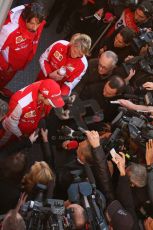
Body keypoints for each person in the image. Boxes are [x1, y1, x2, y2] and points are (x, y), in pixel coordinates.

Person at [0, 79, 64, 148]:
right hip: (11, 131)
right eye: (51, 103)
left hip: (27, 125)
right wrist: (21, 137)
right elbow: (10, 124)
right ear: (42, 96)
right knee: (4, 143)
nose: (52, 105)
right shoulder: (21, 103)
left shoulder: (46, 87)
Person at [0, 2, 46, 97]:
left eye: (38, 24)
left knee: (6, 81)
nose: (35, 27)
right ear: (25, 19)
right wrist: (5, 66)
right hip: (6, 66)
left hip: (18, 65)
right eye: (32, 23)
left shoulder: (38, 20)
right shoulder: (10, 30)